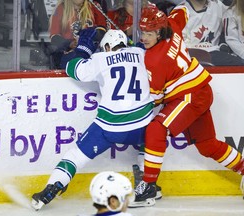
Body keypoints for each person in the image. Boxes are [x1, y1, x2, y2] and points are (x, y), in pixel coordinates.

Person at [31, 29, 157, 210]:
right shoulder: (142, 53)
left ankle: (53, 187)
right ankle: (146, 184)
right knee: (154, 138)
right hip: (141, 123)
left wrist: (83, 49)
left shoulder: (101, 59)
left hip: (110, 126)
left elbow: (70, 66)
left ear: (107, 46)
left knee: (75, 156)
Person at [131, 4, 244, 205]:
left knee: (156, 129)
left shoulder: (154, 60)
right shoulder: (173, 25)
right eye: (142, 33)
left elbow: (155, 98)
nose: (143, 38)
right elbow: (182, 11)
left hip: (189, 96)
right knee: (207, 145)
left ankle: (149, 185)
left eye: (149, 33)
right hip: (199, 91)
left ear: (159, 31)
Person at [47, 0, 107, 68]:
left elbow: (102, 30)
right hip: (69, 56)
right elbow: (54, 37)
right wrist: (69, 44)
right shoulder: (61, 8)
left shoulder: (93, 5)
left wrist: (88, 41)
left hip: (91, 55)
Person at [182, 0, 244, 66]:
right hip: (191, 54)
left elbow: (234, 13)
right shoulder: (180, 11)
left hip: (215, 53)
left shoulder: (219, 6)